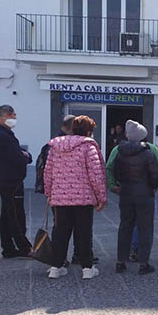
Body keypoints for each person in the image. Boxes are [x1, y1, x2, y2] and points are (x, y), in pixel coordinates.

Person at [43, 115, 107, 280]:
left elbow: (47, 172)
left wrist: (49, 193)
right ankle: (87, 268)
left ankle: (56, 267)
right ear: (88, 131)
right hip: (83, 198)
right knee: (83, 232)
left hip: (60, 198)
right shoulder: (88, 147)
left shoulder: (55, 146)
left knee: (60, 232)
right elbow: (96, 175)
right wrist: (101, 197)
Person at [106, 122, 158, 263]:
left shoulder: (118, 150)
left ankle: (121, 261)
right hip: (144, 193)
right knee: (145, 228)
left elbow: (110, 168)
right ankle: (143, 263)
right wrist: (155, 187)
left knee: (125, 227)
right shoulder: (150, 149)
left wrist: (113, 185)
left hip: (126, 192)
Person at [0, 104, 33, 259]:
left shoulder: (5, 134)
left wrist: (25, 155)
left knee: (6, 216)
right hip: (10, 181)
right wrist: (24, 156)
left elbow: (24, 155)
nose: (14, 117)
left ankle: (8, 248)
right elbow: (19, 157)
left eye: (14, 114)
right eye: (10, 115)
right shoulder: (0, 136)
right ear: (0, 118)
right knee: (15, 215)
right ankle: (24, 247)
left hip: (9, 179)